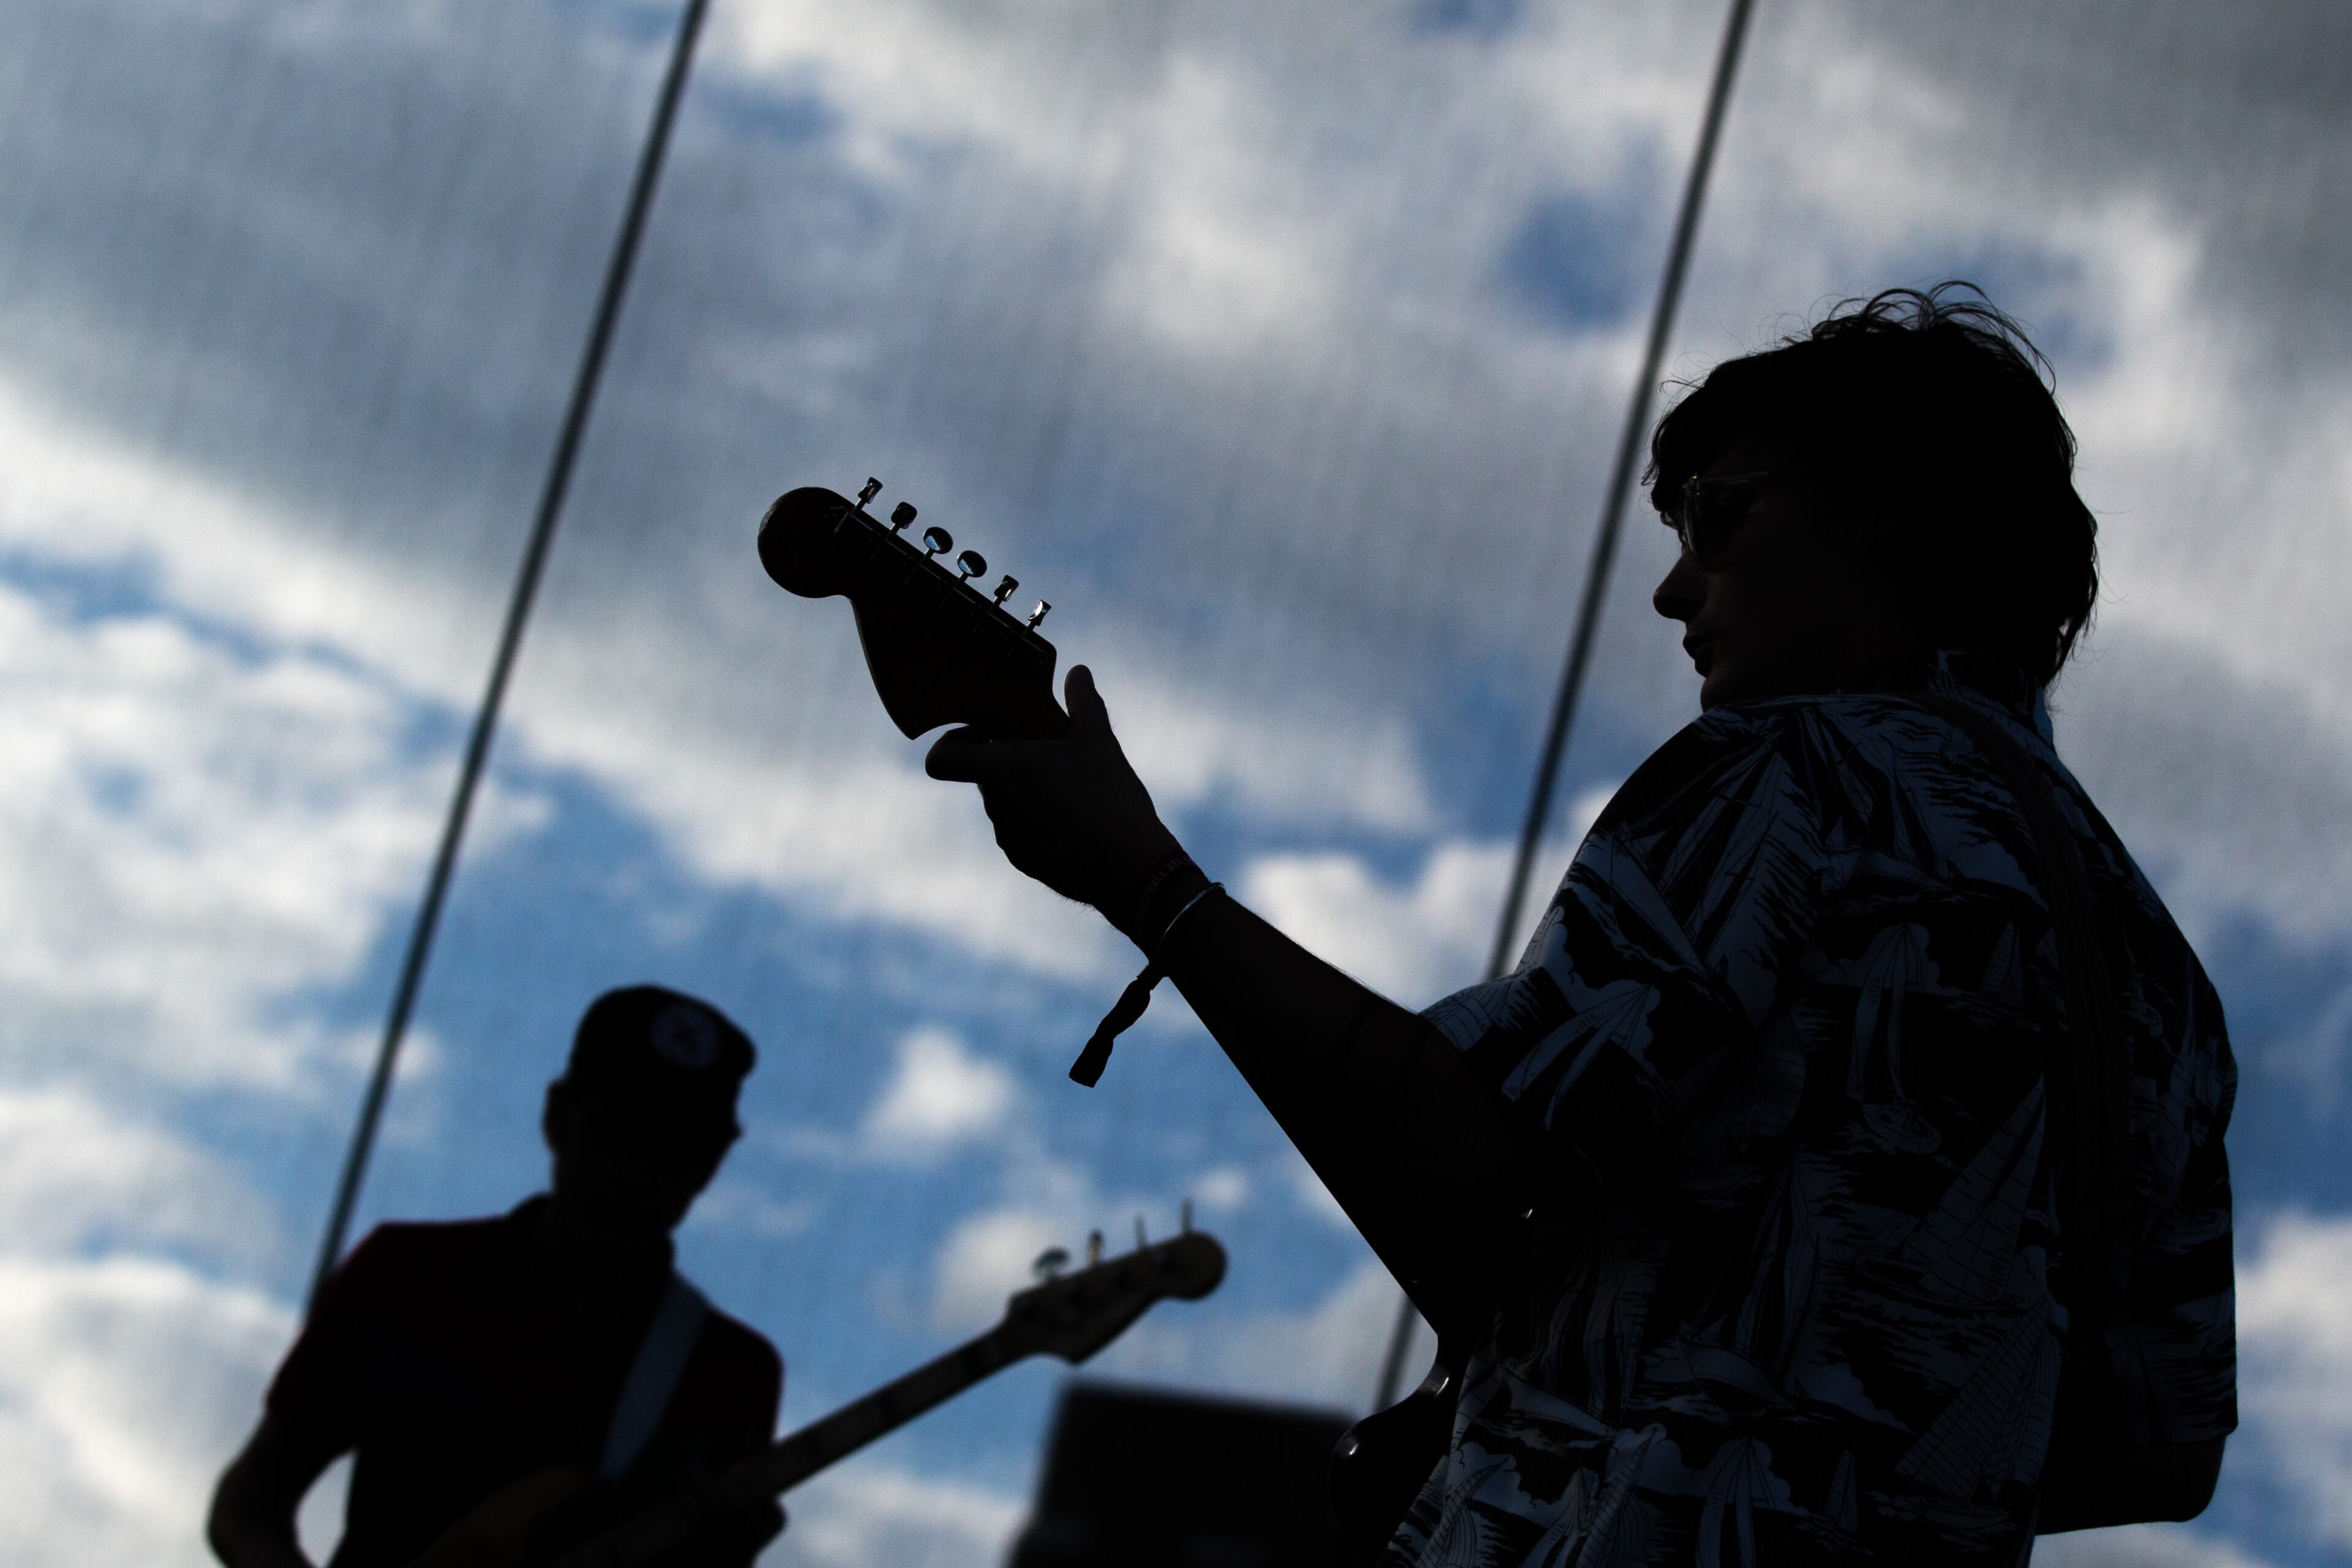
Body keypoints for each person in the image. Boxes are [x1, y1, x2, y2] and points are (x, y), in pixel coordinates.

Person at [924, 285, 2237, 1564]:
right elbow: (2162, 1454)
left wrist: (1147, 881)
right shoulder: (2158, 980)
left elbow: (1477, 1176)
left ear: (1898, 503)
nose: (1675, 595)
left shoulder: (1794, 771)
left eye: (1720, 518)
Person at [209, 986, 787, 1568]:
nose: (643, 1166)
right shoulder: (403, 1275)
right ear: (558, 1117)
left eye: (684, 1146)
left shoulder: (731, 1375)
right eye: (623, 1125)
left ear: (712, 1165)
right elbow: (249, 1508)